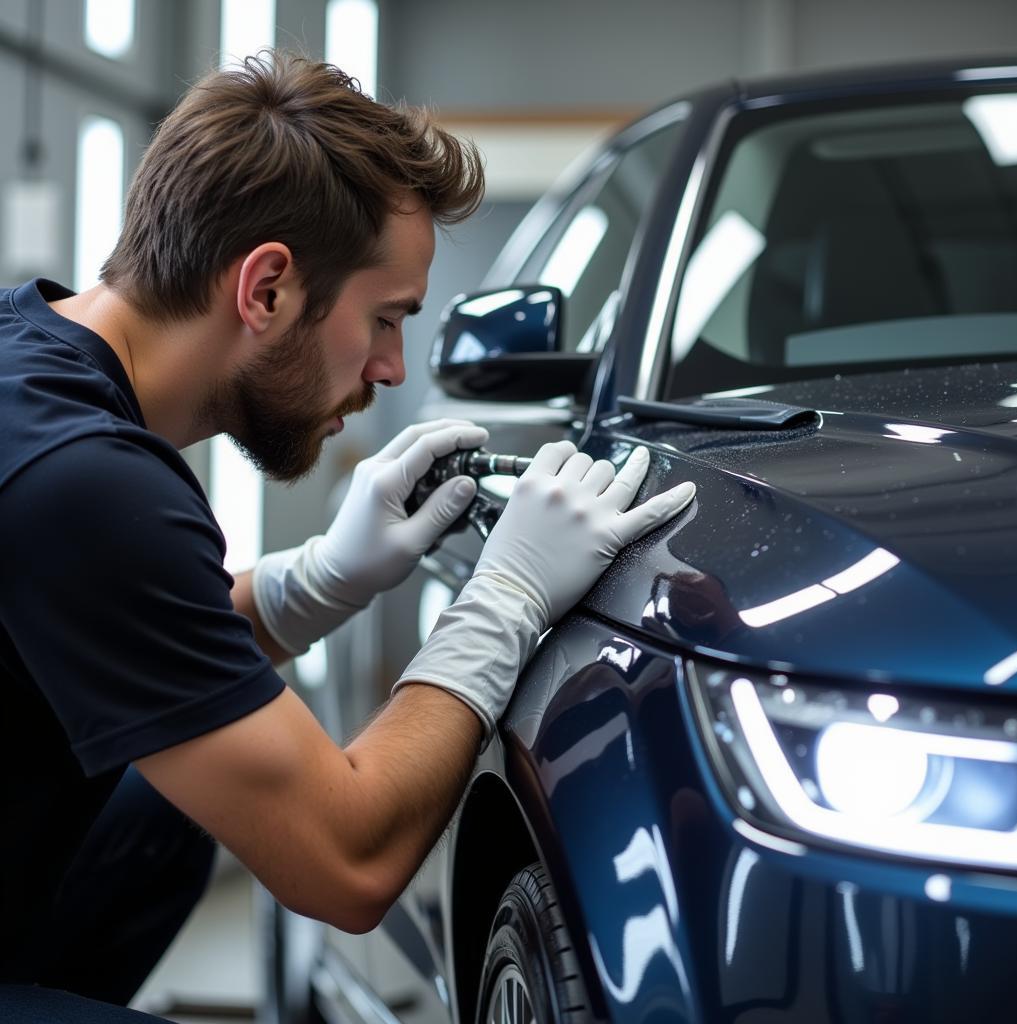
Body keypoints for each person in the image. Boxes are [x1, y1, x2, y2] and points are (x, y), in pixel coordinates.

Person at [0, 52, 696, 1021]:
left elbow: (144, 650)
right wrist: (506, 598)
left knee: (168, 810)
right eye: (384, 318)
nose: (390, 365)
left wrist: (319, 580)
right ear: (268, 288)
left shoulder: (30, 357)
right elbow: (347, 862)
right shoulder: (84, 478)